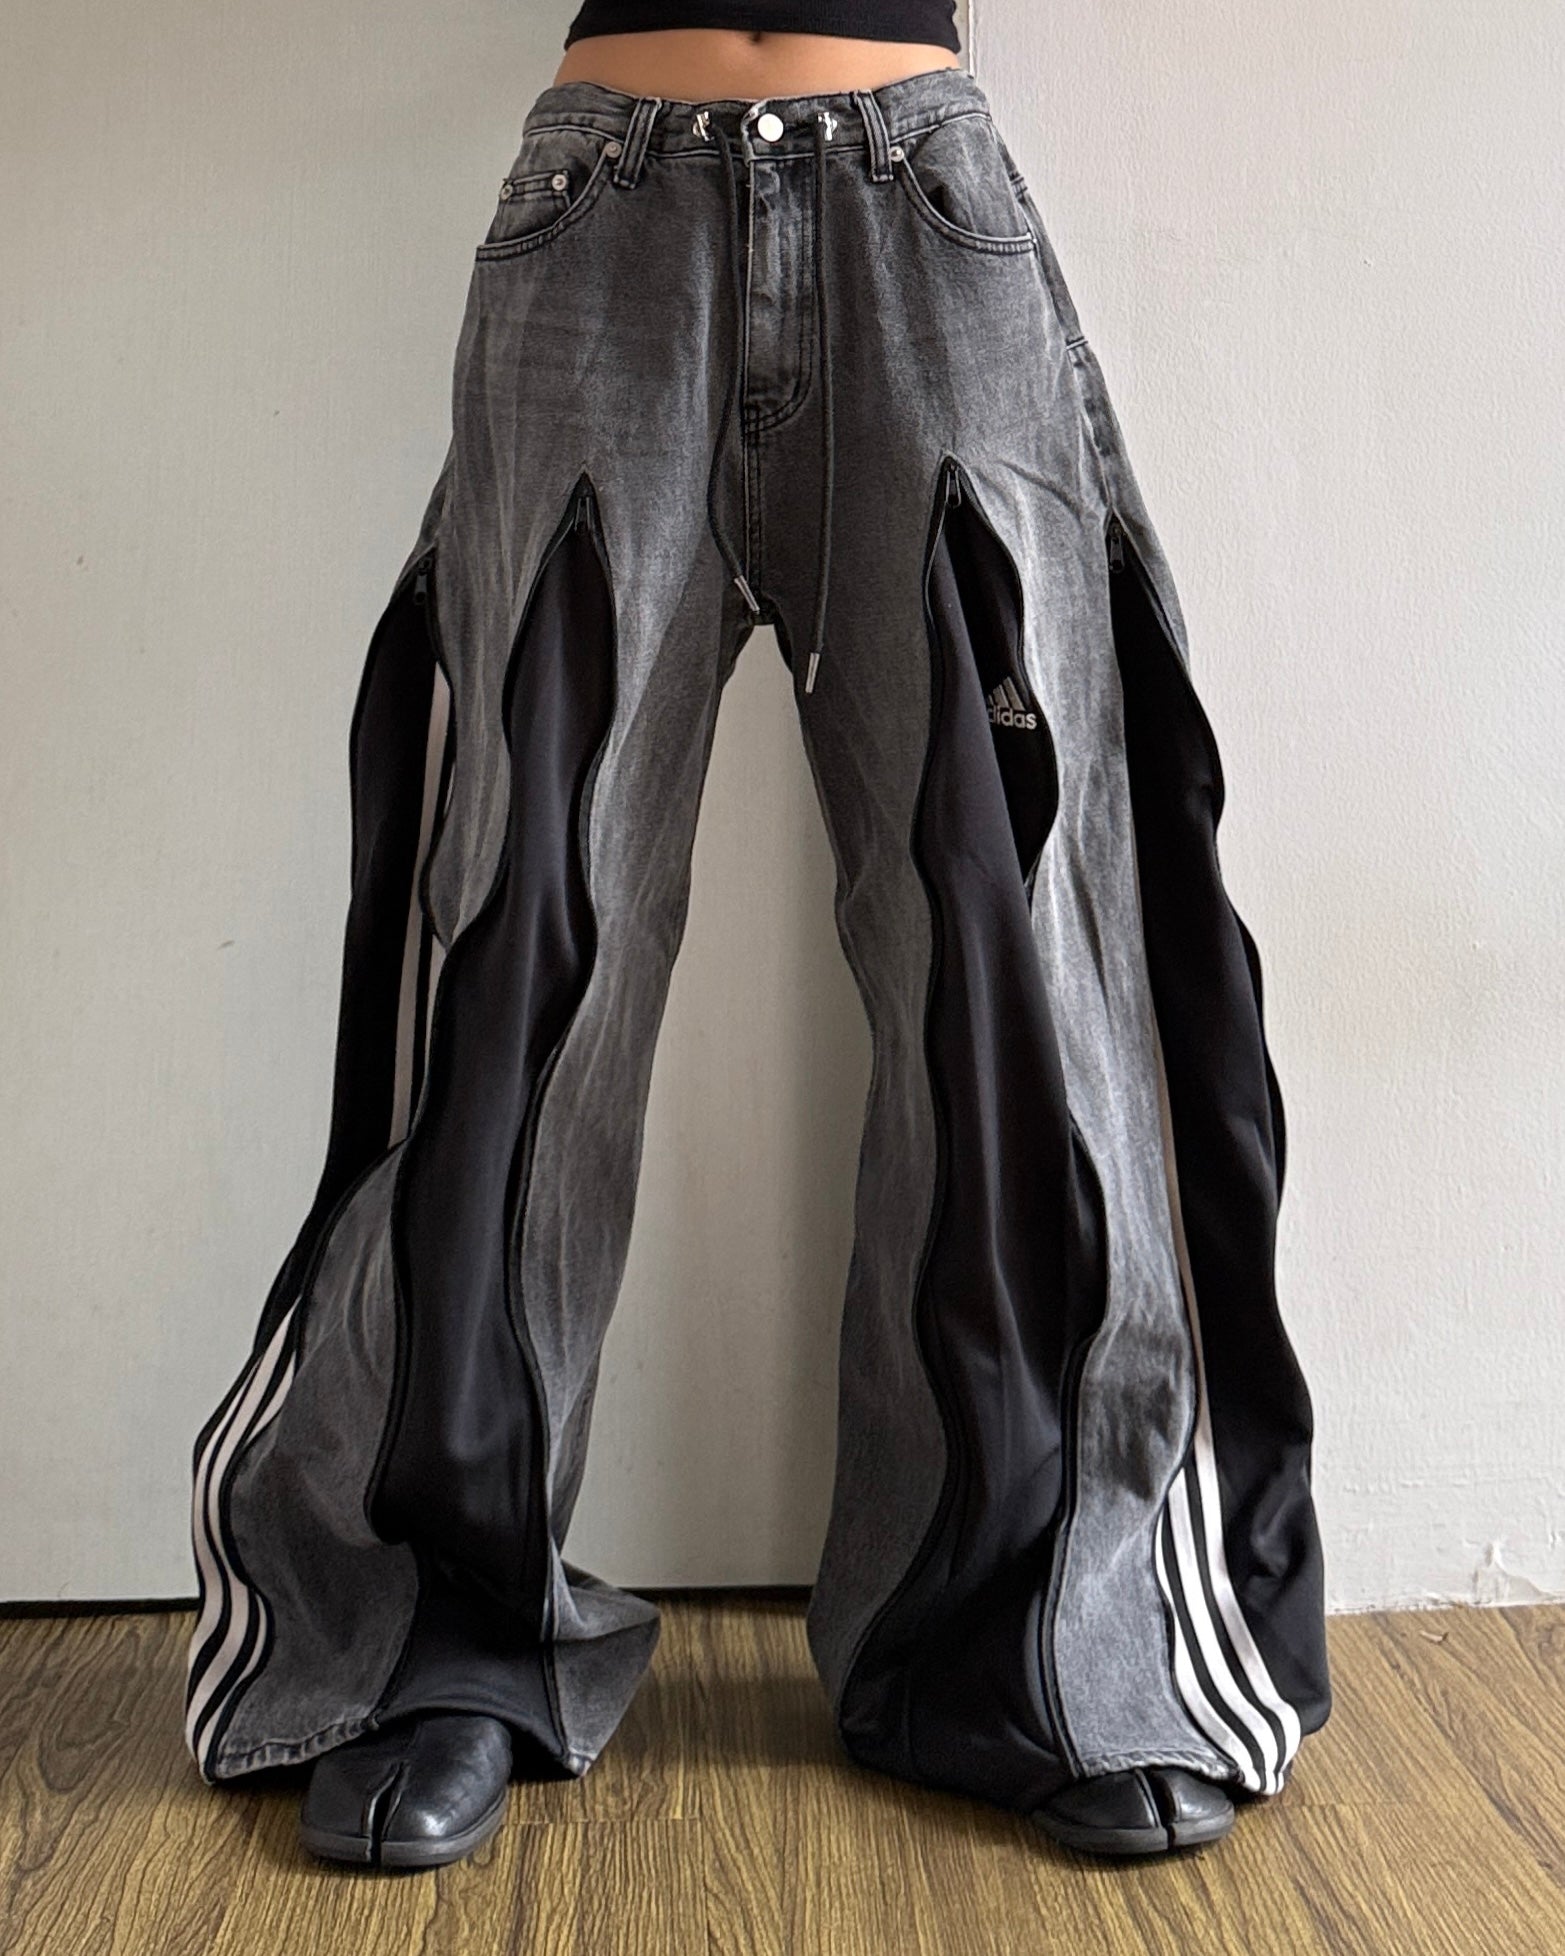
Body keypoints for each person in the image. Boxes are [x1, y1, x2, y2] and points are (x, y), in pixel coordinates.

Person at [182, 2, 1332, 1872]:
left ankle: (1041, 1637)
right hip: (598, 213)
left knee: (1012, 930)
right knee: (514, 929)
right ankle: (436, 1642)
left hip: (918, 210)